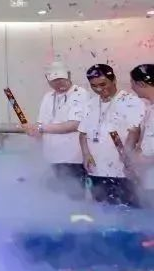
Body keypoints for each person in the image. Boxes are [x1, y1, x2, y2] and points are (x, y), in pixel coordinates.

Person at [22, 61, 91, 200]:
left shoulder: (80, 94)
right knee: (55, 199)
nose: (59, 83)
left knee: (74, 198)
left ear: (69, 75)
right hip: (51, 157)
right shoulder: (48, 97)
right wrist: (34, 131)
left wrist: (41, 128)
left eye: (62, 79)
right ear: (48, 80)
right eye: (54, 81)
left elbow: (74, 124)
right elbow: (41, 123)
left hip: (73, 158)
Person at [78, 64, 144, 206]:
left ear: (113, 80)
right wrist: (85, 154)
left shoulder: (130, 101)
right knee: (101, 211)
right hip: (96, 169)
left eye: (103, 84)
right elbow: (82, 133)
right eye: (94, 86)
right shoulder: (90, 104)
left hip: (121, 171)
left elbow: (134, 132)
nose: (99, 89)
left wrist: (127, 156)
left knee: (126, 211)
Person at [130, 63, 154, 203]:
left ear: (141, 84)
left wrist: (145, 161)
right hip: (148, 181)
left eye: (132, 83)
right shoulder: (149, 109)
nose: (132, 87)